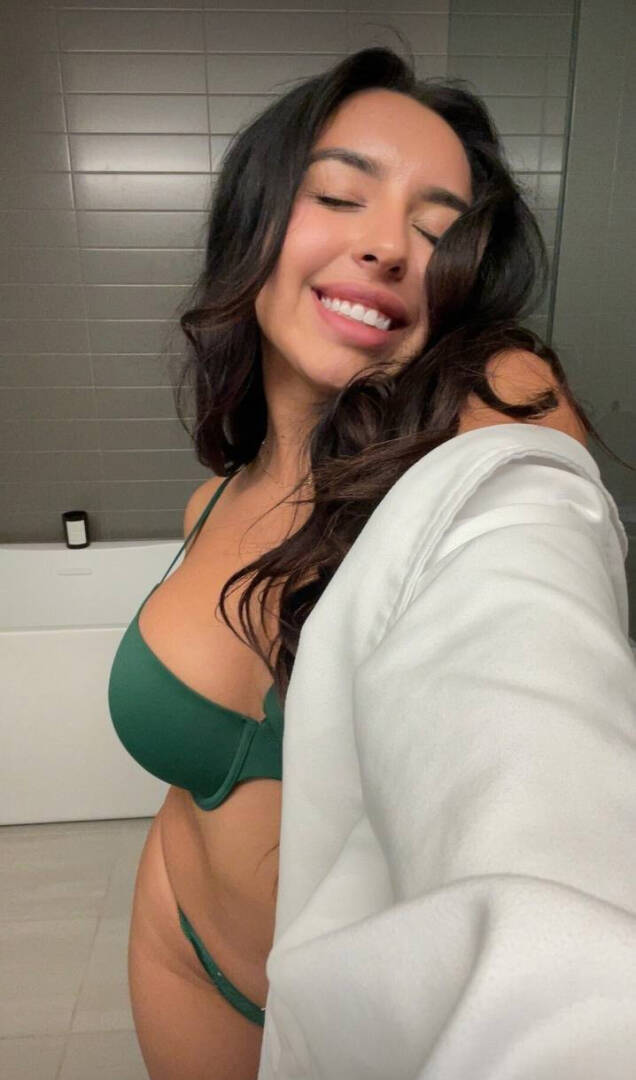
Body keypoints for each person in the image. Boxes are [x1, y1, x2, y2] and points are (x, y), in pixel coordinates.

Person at [107, 43, 636, 1080]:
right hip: (176, 946)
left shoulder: (502, 403)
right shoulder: (212, 497)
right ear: (256, 222)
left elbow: (534, 713)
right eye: (341, 195)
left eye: (437, 231)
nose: (390, 245)